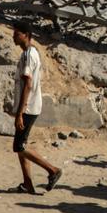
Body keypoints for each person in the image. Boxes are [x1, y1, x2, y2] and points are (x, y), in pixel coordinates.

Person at [10, 22, 63, 195]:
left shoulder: (28, 55)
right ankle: (27, 184)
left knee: (20, 146)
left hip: (29, 107)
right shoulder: (29, 53)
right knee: (21, 146)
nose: (14, 37)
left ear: (26, 34)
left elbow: (28, 84)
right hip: (29, 106)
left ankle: (53, 170)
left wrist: (20, 112)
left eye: (17, 33)